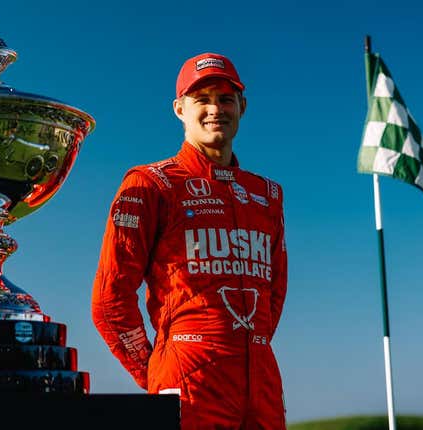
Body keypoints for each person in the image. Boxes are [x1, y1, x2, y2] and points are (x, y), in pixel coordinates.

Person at [91, 52, 288, 430]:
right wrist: (155, 372)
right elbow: (109, 301)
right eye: (202, 99)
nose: (216, 109)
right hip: (188, 378)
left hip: (261, 379)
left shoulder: (268, 195)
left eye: (225, 99)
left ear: (242, 107)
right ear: (180, 109)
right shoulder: (149, 184)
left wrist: (246, 347)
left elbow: (273, 294)